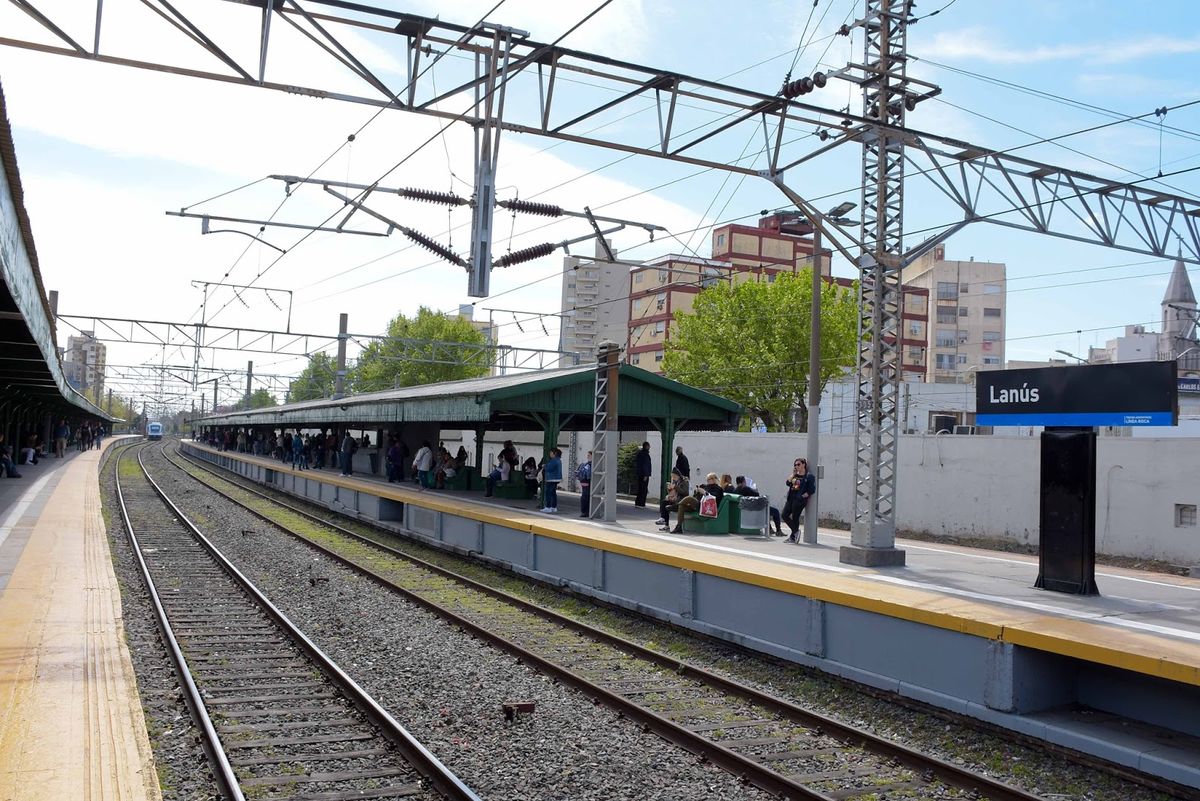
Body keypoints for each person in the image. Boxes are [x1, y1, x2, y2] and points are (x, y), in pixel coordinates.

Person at [782, 457, 817, 543]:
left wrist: (802, 496)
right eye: (795, 465)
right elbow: (787, 483)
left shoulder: (809, 476)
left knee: (795, 517)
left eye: (798, 464)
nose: (796, 466)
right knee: (784, 515)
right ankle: (796, 532)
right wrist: (793, 474)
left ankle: (793, 537)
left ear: (804, 464)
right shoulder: (795, 475)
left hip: (799, 500)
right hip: (791, 498)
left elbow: (811, 490)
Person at [541, 448, 562, 513]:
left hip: (551, 478)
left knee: (548, 492)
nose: (550, 454)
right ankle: (554, 507)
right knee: (553, 493)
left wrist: (544, 466)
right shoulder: (559, 460)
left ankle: (548, 507)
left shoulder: (553, 460)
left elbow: (549, 468)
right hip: (556, 478)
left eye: (551, 453)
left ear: (554, 453)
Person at [634, 441, 652, 507]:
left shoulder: (640, 454)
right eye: (649, 446)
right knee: (644, 489)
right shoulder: (645, 455)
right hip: (644, 474)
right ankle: (641, 503)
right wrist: (646, 475)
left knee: (640, 488)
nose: (650, 447)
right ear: (646, 446)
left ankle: (637, 502)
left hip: (639, 474)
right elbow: (646, 465)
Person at [577, 451, 593, 518]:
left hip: (584, 482)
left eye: (589, 455)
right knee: (587, 497)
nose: (587, 456)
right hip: (587, 482)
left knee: (585, 497)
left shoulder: (587, 464)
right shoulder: (591, 464)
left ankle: (584, 512)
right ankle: (586, 512)